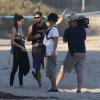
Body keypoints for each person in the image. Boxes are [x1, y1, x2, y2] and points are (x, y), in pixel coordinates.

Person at [27, 9, 68, 88]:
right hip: (36, 48)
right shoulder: (32, 27)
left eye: (38, 17)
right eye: (35, 18)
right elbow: (28, 38)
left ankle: (53, 85)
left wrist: (63, 15)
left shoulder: (46, 25)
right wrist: (34, 37)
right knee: (37, 68)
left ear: (42, 18)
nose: (36, 19)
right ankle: (40, 85)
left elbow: (57, 22)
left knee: (48, 68)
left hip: (45, 48)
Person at [56, 14, 86, 93]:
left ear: (71, 22)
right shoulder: (82, 29)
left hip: (73, 53)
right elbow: (84, 38)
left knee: (63, 70)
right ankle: (79, 89)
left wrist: (68, 32)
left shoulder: (68, 30)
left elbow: (64, 40)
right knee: (79, 72)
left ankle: (55, 87)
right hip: (82, 52)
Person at [10, 14, 30, 87]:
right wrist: (21, 47)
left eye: (23, 21)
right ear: (17, 21)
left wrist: (24, 38)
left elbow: (22, 39)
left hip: (22, 48)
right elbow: (13, 41)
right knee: (15, 67)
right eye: (21, 21)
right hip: (17, 49)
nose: (22, 22)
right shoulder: (14, 29)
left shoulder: (20, 28)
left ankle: (21, 84)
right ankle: (11, 84)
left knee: (22, 66)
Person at [43, 13, 59, 92]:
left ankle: (54, 88)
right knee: (49, 72)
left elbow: (56, 40)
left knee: (51, 71)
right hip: (49, 52)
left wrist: (53, 51)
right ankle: (54, 87)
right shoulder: (52, 28)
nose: (48, 21)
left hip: (51, 53)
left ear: (51, 20)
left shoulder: (54, 29)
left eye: (48, 19)